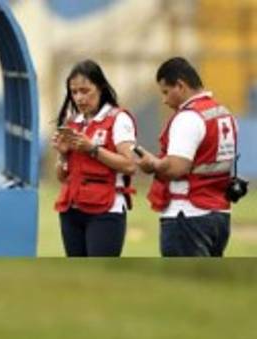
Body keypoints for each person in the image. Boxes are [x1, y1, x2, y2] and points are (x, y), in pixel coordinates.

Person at [136, 57, 239, 257]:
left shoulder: (189, 118)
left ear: (181, 86)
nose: (164, 100)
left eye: (166, 92)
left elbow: (177, 168)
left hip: (187, 214)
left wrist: (151, 164)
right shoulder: (224, 114)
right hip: (219, 215)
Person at [52, 60, 138, 257]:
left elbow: (130, 165)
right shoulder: (73, 122)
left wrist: (93, 149)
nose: (79, 98)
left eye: (85, 90)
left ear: (100, 88)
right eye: (74, 92)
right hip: (71, 208)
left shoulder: (118, 118)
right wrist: (63, 154)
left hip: (105, 209)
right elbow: (62, 177)